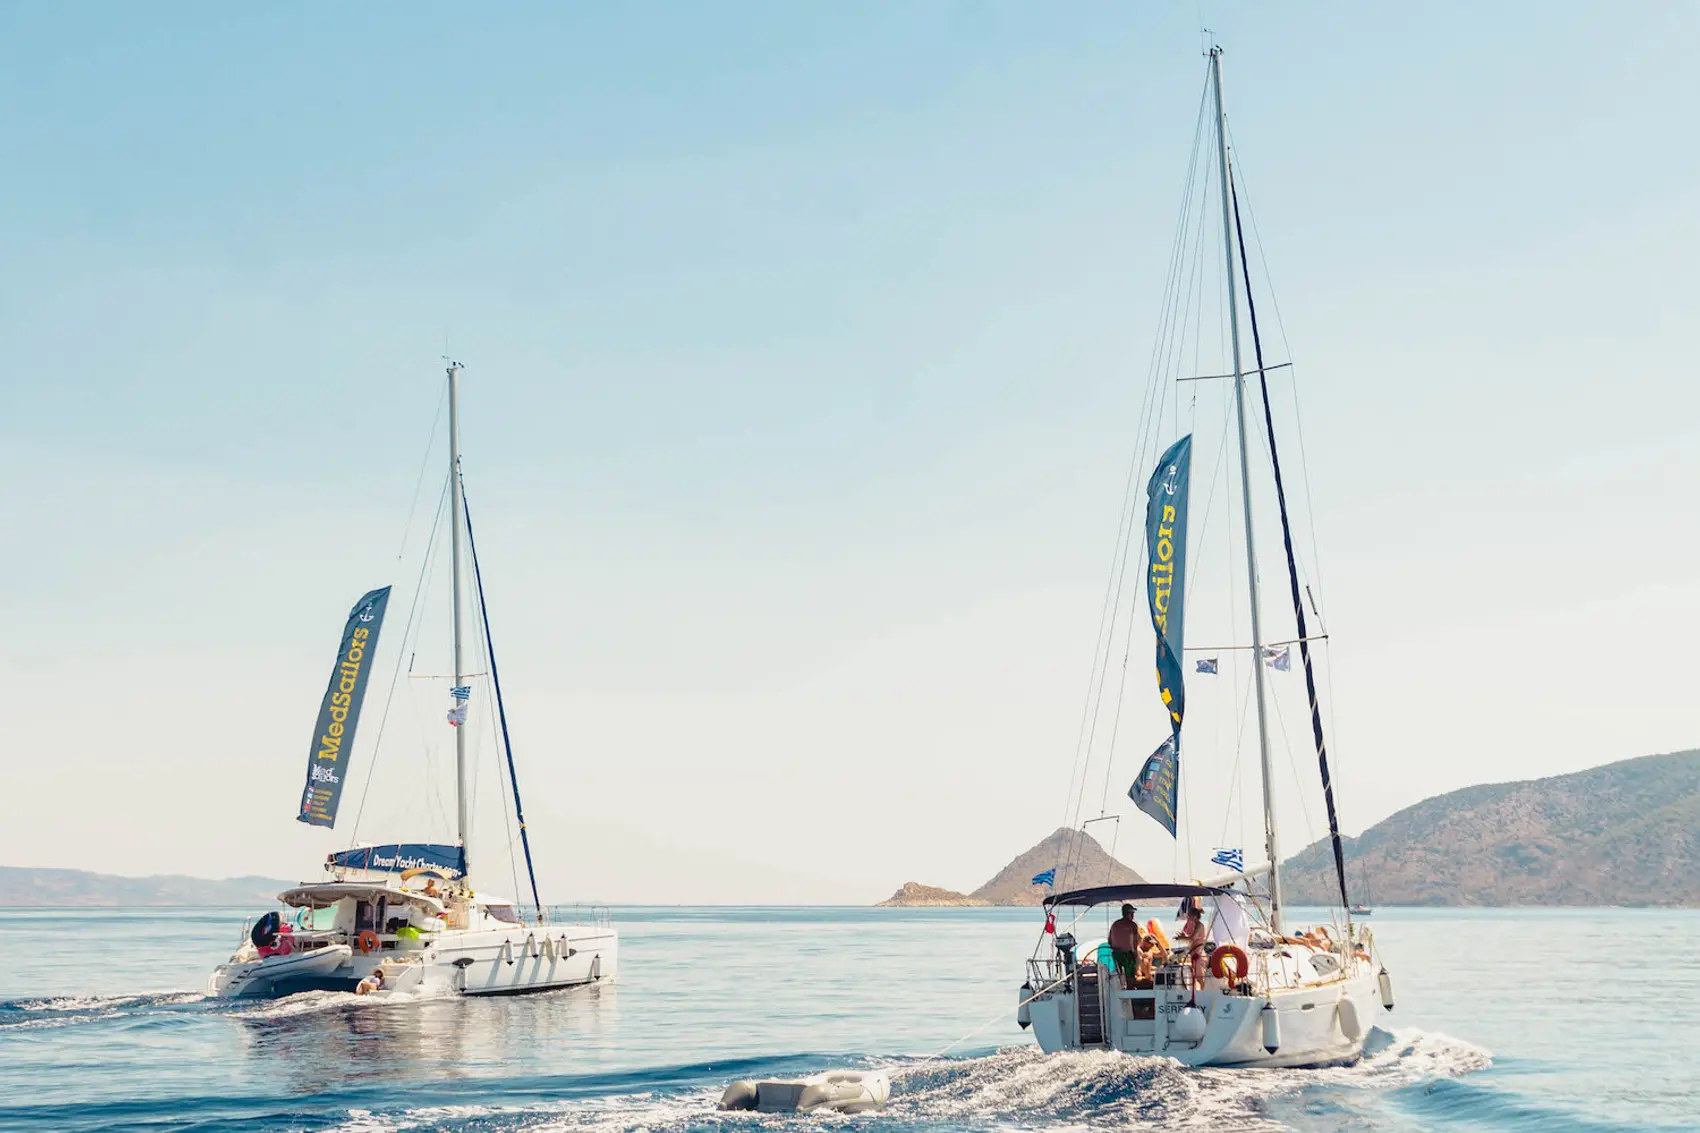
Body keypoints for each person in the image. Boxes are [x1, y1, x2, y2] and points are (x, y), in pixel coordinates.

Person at [1177, 898, 1209, 990]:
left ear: (1194, 916)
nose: (1188, 918)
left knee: (1200, 977)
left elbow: (1192, 938)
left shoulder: (1199, 925)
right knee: (1195, 976)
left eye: (1189, 916)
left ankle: (1203, 993)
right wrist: (1184, 935)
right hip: (1194, 953)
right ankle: (1197, 993)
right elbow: (1192, 938)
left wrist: (1182, 938)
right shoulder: (1195, 925)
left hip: (1199, 954)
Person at [1107, 903, 1141, 987]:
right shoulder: (1132, 925)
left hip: (1116, 953)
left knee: (1119, 974)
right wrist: (1135, 953)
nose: (1133, 915)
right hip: (1127, 954)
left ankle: (1120, 989)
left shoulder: (1115, 924)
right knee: (1130, 976)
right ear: (1128, 913)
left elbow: (1109, 941)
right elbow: (1136, 941)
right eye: (1132, 913)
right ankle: (1131, 992)